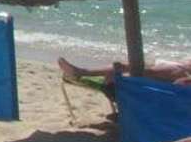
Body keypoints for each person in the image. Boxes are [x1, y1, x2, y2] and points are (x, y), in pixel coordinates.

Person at [58, 56, 191, 85]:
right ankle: (82, 72)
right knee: (139, 66)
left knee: (144, 70)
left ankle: (82, 72)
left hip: (180, 73)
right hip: (176, 69)